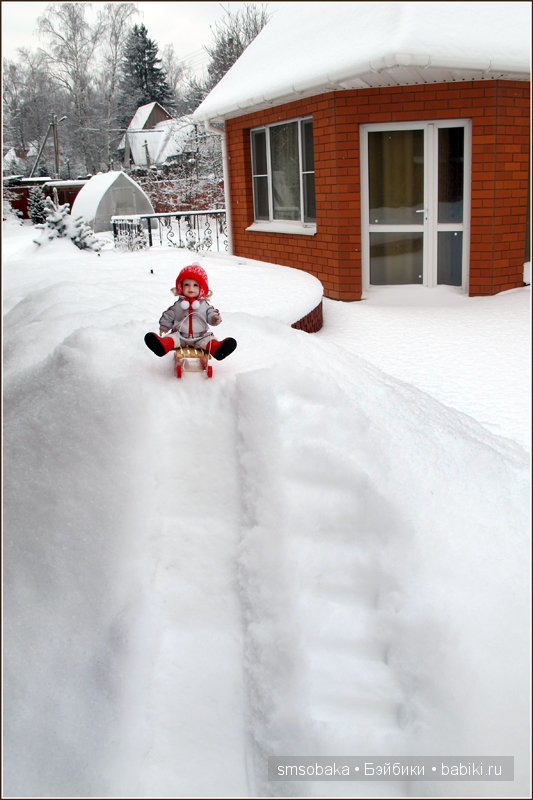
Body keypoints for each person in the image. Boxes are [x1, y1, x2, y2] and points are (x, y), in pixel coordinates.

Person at [144, 263, 237, 360]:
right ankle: (162, 346)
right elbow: (169, 315)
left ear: (201, 288)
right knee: (172, 339)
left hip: (201, 336)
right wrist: (164, 326)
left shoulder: (204, 305)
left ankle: (218, 349)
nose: (190, 288)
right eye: (186, 284)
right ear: (181, 287)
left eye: (195, 285)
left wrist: (215, 318)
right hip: (180, 336)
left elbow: (211, 313)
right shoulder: (178, 305)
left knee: (209, 341)